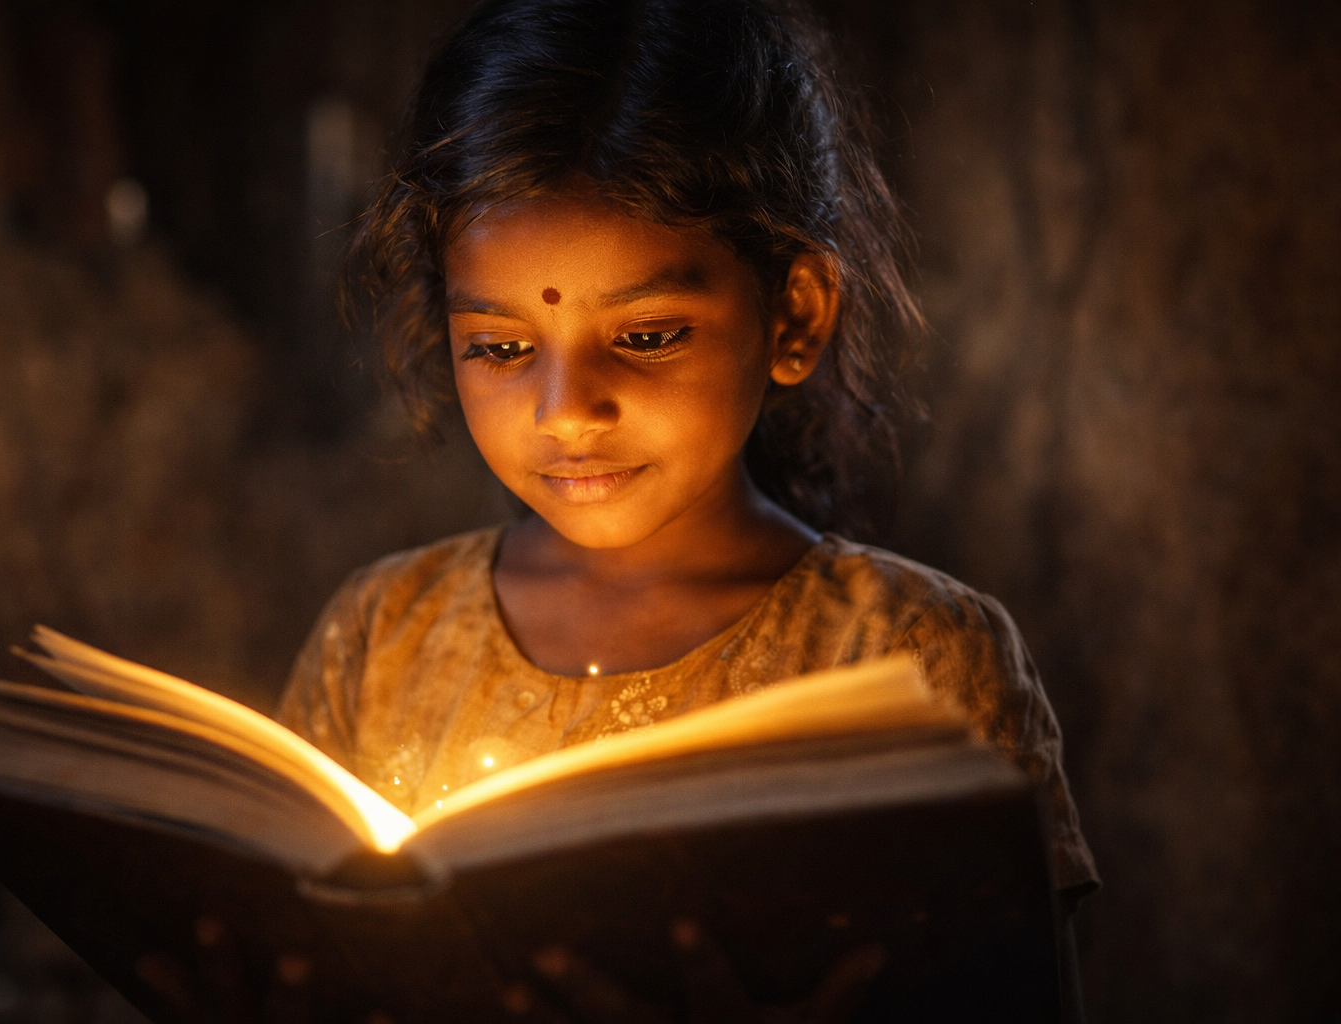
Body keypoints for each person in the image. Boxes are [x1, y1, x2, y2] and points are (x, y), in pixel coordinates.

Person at [275, 0, 1100, 1018]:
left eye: (651, 335)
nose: (566, 410)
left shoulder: (914, 664)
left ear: (793, 314)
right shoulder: (380, 641)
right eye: (500, 347)